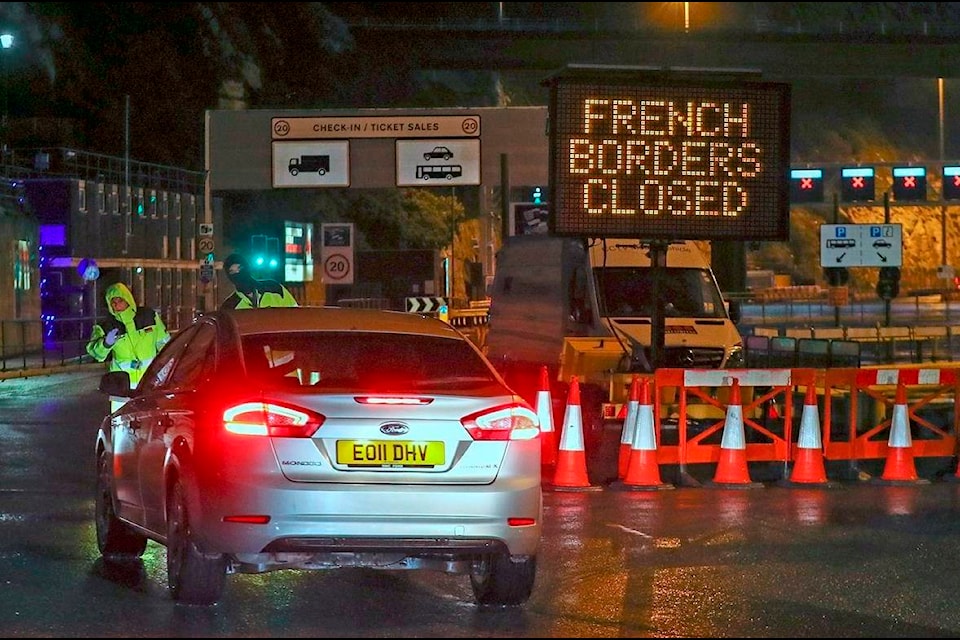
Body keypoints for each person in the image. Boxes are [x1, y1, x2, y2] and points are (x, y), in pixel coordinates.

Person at [86, 282, 171, 412]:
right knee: (120, 424)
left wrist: (168, 367)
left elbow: (165, 344)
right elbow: (95, 352)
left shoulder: (149, 316)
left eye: (119, 300)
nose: (116, 304)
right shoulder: (105, 326)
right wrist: (106, 343)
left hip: (148, 382)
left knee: (149, 422)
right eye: (112, 302)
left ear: (127, 299)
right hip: (121, 386)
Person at [220, 252, 299, 309]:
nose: (238, 273)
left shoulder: (274, 288)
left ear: (247, 268)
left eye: (240, 268)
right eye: (232, 271)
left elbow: (295, 316)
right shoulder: (229, 306)